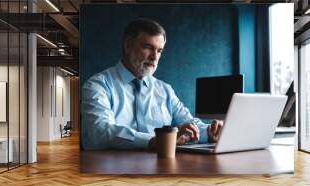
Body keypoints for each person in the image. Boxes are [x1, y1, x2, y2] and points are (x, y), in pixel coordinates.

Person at [81, 18, 223, 150]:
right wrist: (155, 141)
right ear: (128, 45)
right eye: (148, 47)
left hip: (162, 168)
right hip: (111, 172)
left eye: (159, 50)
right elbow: (100, 131)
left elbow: (188, 123)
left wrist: (211, 132)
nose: (154, 57)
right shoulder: (97, 85)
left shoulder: (165, 90)